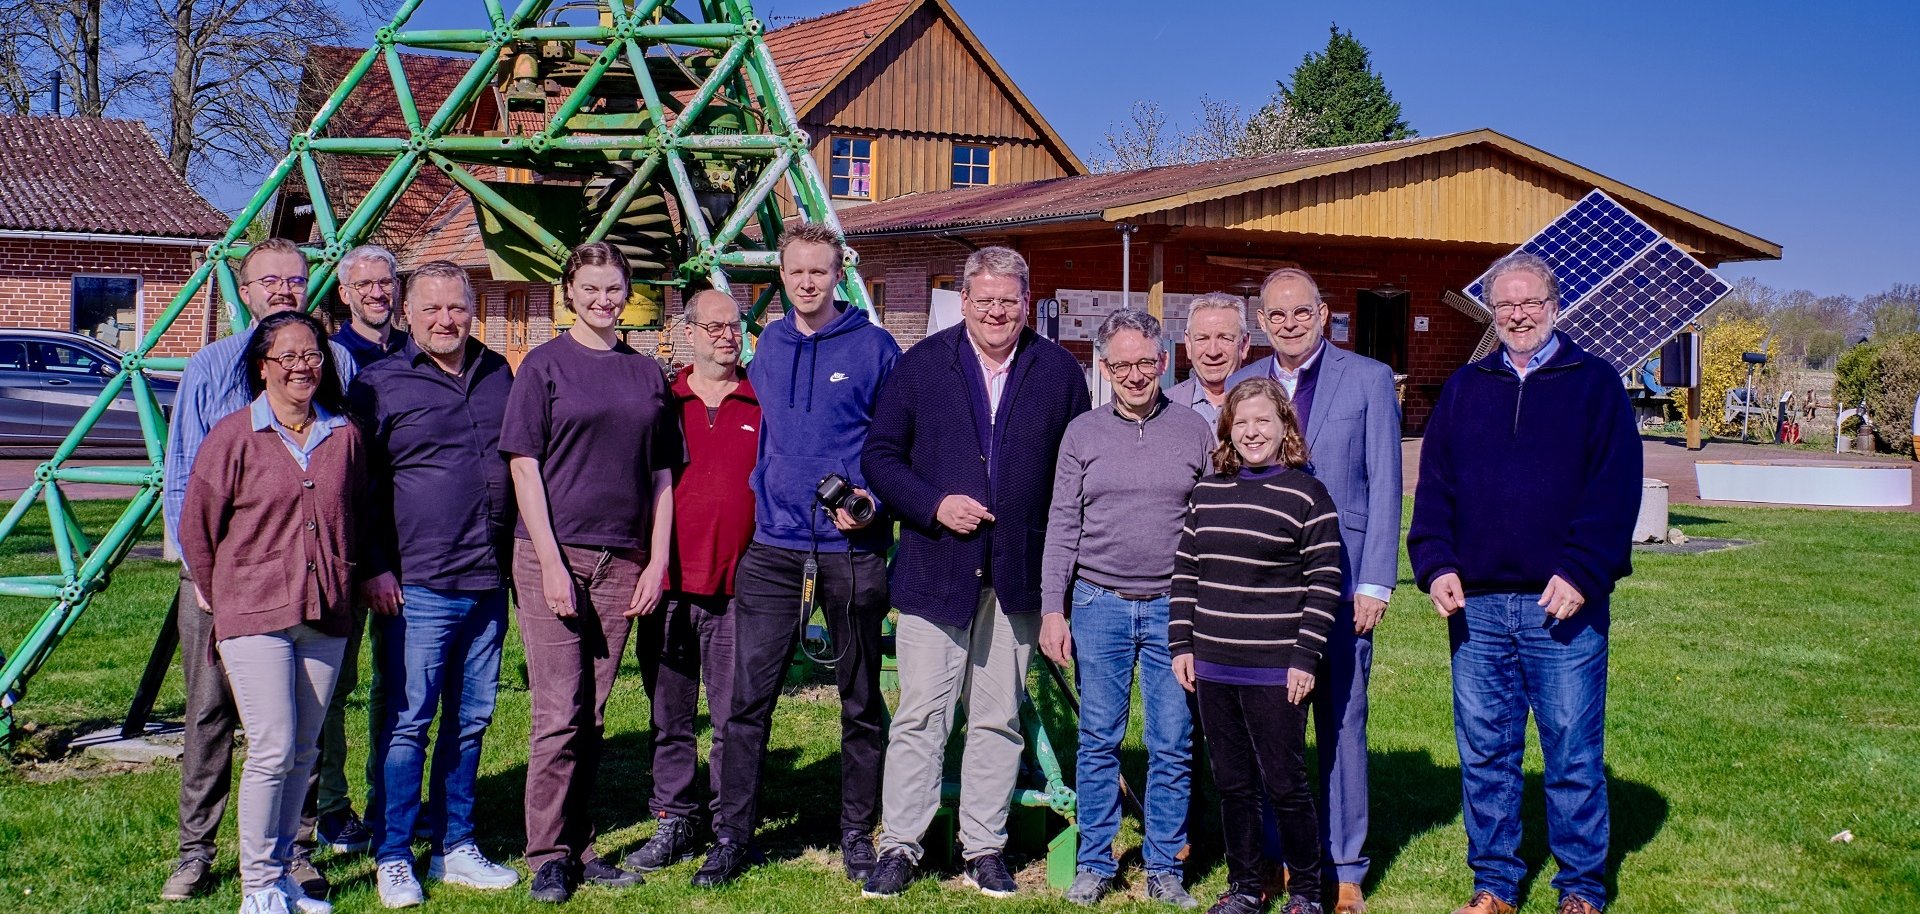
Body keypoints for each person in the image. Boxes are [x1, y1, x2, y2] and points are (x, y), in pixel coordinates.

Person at [1408, 251, 1641, 914]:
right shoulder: (1465, 386)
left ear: (1554, 307)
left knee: (1570, 751)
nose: (1517, 314)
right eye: (1505, 304)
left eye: (1530, 302)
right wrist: (1436, 564)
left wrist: (1583, 571)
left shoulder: (1593, 384)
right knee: (1486, 755)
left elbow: (1614, 490)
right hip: (1476, 605)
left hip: (1561, 603)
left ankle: (1581, 889)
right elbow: (1436, 489)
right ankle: (1495, 886)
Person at [860, 246, 1090, 898]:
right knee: (921, 715)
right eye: (984, 299)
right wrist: (933, 504)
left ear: (1027, 300)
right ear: (963, 301)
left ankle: (983, 847)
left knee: (997, 718)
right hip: (937, 573)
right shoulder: (923, 366)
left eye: (1008, 300)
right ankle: (901, 844)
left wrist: (1060, 583)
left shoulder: (1057, 372)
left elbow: (1074, 475)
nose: (996, 311)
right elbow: (879, 456)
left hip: (1018, 575)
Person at [697, 221, 899, 888]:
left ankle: (854, 831)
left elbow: (899, 446)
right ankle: (731, 835)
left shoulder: (874, 348)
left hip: (851, 552)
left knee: (860, 701)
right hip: (773, 550)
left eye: (820, 271)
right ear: (780, 276)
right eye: (796, 272)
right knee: (745, 701)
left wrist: (871, 497)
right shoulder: (771, 346)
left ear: (838, 273)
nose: (807, 282)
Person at [161, 238, 358, 903]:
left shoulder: (339, 366)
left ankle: (295, 853)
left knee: (302, 733)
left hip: (309, 584)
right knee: (213, 715)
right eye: (267, 280)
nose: (282, 289)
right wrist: (208, 583)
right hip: (225, 580)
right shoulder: (210, 369)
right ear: (244, 291)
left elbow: (340, 475)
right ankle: (197, 851)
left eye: (295, 279)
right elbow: (187, 481)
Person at [501, 241, 682, 904]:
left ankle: (579, 845)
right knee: (558, 712)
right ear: (569, 293)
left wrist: (656, 560)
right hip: (553, 554)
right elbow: (523, 465)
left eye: (614, 290)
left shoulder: (645, 375)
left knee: (595, 712)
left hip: (623, 560)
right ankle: (546, 854)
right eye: (592, 289)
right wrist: (550, 562)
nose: (604, 300)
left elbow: (662, 475)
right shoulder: (544, 367)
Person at [1226, 268, 1402, 914]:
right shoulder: (1251, 389)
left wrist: (1377, 580)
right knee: (1272, 730)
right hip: (1268, 594)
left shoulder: (1368, 380)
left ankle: (1346, 867)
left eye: (1302, 312)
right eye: (1277, 315)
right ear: (1262, 322)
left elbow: (1385, 484)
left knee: (1342, 722)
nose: (1290, 323)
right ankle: (1280, 856)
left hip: (1346, 582)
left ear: (1324, 315)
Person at [349, 260, 519, 906]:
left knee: (471, 720)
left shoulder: (497, 373)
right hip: (415, 584)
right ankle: (394, 853)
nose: (446, 320)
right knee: (408, 722)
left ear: (472, 310)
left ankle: (457, 846)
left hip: (486, 579)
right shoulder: (379, 385)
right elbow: (356, 489)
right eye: (432, 310)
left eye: (457, 308)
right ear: (407, 314)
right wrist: (373, 565)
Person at [1041, 309, 1213, 907]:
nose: (1135, 375)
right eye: (1122, 365)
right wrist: (1052, 610)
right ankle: (1096, 860)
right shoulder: (1082, 434)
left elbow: (1212, 525)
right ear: (1105, 367)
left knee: (1172, 741)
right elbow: (1062, 523)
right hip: (1098, 603)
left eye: (1146, 362)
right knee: (1097, 739)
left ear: (1163, 361)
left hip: (1175, 607)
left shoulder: (1194, 431)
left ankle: (1165, 864)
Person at [1172, 377, 1342, 914]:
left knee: (1286, 783)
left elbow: (1324, 580)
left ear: (1284, 426)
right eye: (1241, 423)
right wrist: (1182, 645)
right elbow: (1186, 574)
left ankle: (1309, 891)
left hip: (1276, 667)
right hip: (1214, 664)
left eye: (1263, 421)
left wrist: (1305, 656)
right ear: (1227, 431)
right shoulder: (1208, 493)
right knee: (1233, 784)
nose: (1251, 432)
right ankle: (1245, 886)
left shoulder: (1306, 494)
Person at [622, 289, 756, 873]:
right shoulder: (661, 400)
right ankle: (675, 817)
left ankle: (730, 828)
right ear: (688, 332)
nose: (726, 336)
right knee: (669, 713)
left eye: (734, 326)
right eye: (714, 326)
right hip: (668, 582)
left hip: (738, 587)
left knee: (732, 717)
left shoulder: (760, 399)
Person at [304, 242, 404, 862]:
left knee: (399, 689)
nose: (376, 292)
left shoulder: (416, 350)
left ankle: (391, 803)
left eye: (385, 281)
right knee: (334, 689)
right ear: (344, 293)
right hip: (345, 547)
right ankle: (332, 810)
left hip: (409, 548)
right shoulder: (336, 365)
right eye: (363, 284)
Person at [1167, 292, 1253, 429]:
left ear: (1244, 344)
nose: (1213, 352)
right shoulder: (1165, 405)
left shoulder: (1269, 403)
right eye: (1202, 339)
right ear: (1188, 344)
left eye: (1225, 338)